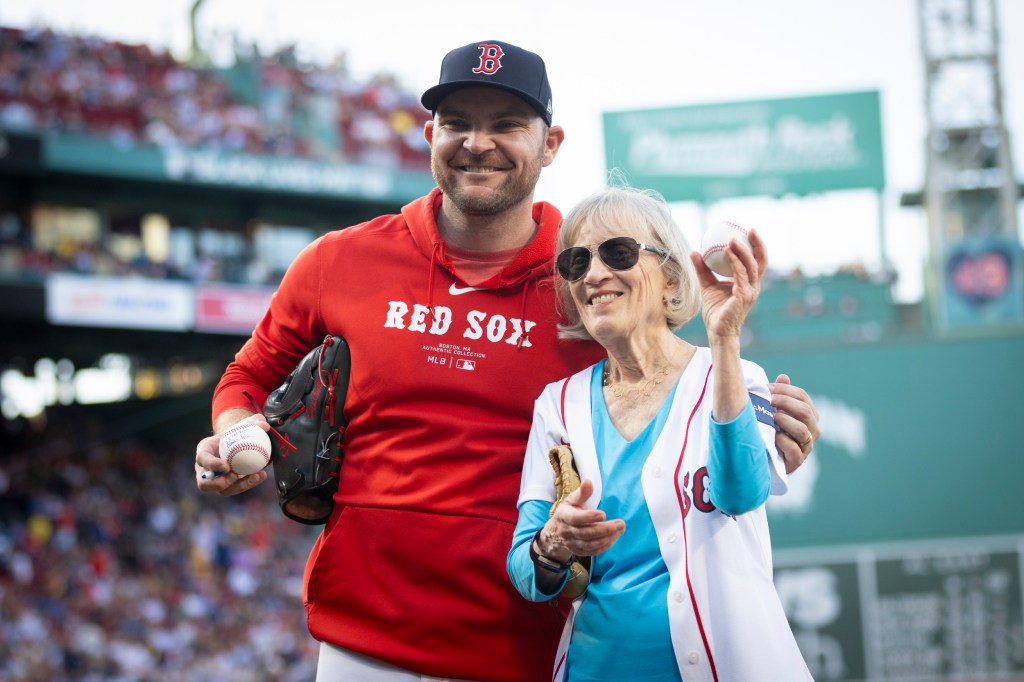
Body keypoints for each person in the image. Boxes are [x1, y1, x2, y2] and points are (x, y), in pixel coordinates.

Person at [194, 40, 821, 682]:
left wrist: (761, 420)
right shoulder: (339, 261)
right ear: (431, 133)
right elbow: (246, 378)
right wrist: (229, 434)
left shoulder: (583, 273)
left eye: (506, 125)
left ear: (550, 145)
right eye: (458, 123)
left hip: (521, 643)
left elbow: (668, 376)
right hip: (362, 641)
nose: (477, 142)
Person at [508, 185, 814, 681]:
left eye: (619, 252)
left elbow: (741, 494)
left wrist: (724, 341)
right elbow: (527, 574)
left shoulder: (738, 377)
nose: (596, 273)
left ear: (671, 280)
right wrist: (554, 541)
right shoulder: (557, 405)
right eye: (577, 262)